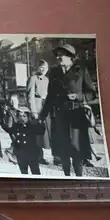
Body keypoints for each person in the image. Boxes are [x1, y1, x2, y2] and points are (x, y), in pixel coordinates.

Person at [39, 44, 96, 177]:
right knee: (63, 149)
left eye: (61, 55)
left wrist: (77, 96)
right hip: (60, 116)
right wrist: (42, 115)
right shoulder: (54, 72)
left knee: (76, 148)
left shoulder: (80, 70)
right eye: (57, 55)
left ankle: (79, 177)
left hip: (76, 115)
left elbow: (91, 93)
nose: (58, 57)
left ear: (70, 57)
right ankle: (66, 176)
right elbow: (50, 96)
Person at [1, 107, 44, 175]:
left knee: (35, 172)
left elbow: (41, 131)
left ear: (28, 117)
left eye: (24, 116)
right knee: (24, 172)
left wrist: (40, 122)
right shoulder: (17, 125)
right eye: (20, 116)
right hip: (20, 153)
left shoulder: (32, 126)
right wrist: (2, 124)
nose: (22, 118)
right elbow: (10, 130)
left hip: (31, 153)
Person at [27, 60, 51, 165]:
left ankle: (43, 156)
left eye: (45, 68)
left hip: (45, 108)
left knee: (45, 133)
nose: (43, 69)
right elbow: (30, 96)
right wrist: (33, 111)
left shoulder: (47, 79)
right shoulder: (33, 78)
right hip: (37, 107)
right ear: (37, 67)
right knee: (36, 133)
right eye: (41, 67)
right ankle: (37, 156)